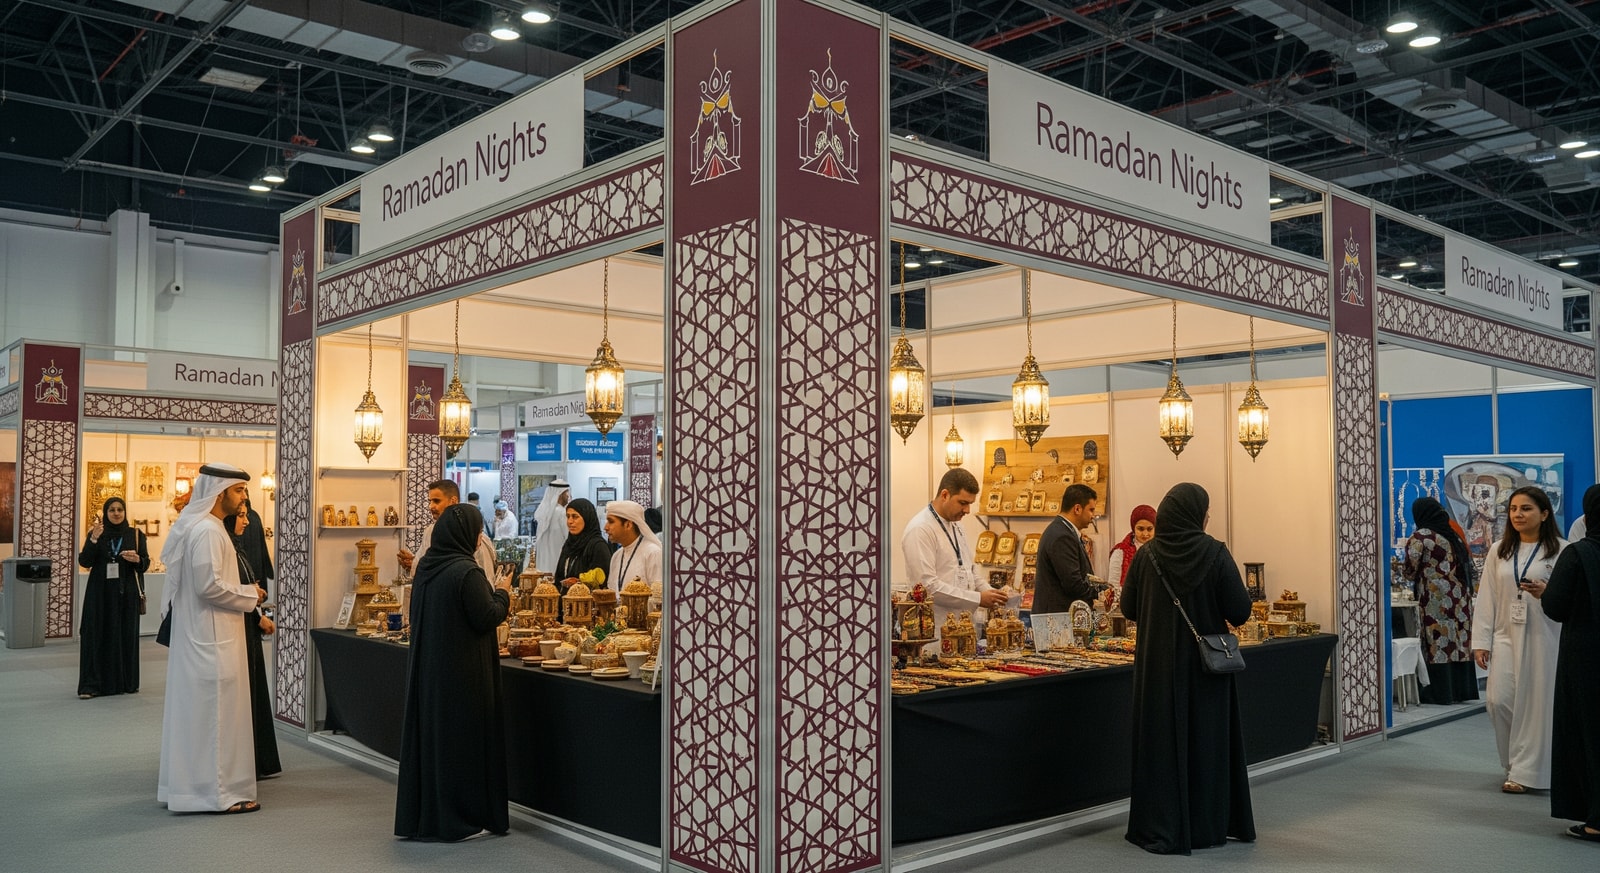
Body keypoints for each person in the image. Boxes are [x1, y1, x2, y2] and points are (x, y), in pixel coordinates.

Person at [1121, 482, 1254, 855]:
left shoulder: (1146, 556)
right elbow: (1240, 610)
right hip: (1204, 671)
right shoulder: (1215, 553)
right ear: (1197, 515)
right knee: (1206, 744)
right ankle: (1206, 825)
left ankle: (1159, 823)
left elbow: (1129, 608)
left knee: (1160, 744)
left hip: (1157, 671)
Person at [394, 504, 512, 841]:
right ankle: (459, 817)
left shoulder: (428, 567)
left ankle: (430, 816)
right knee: (461, 745)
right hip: (463, 674)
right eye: (477, 532)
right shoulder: (466, 572)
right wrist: (503, 592)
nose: (478, 539)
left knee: (435, 742)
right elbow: (487, 616)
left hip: (431, 672)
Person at [157, 463, 267, 814]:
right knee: (217, 717)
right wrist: (250, 594)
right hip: (211, 638)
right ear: (220, 493)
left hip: (208, 635)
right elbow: (209, 587)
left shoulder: (210, 527)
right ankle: (219, 795)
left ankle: (193, 791)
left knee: (204, 717)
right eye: (239, 491)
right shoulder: (207, 530)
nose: (244, 497)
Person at [1472, 485, 1565, 794]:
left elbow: (1569, 598)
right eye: (1513, 509)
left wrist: (1547, 592)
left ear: (1544, 514)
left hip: (1545, 636)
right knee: (1498, 701)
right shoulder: (1499, 550)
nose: (1518, 514)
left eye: (1526, 509)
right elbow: (1487, 597)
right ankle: (1512, 763)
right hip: (1505, 635)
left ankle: (1527, 771)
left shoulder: (1562, 550)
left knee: (1537, 705)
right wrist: (1481, 641)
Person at [1543, 484, 1600, 842]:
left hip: (1587, 657)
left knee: (1590, 733)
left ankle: (1596, 819)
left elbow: (1555, 605)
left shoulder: (1579, 554)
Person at [901, 468, 1009, 644]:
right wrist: (978, 599)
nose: (967, 510)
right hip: (935, 633)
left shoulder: (957, 525)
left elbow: (969, 571)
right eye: (963, 503)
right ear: (945, 495)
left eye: (970, 504)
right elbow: (927, 587)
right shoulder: (920, 529)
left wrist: (992, 593)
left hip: (965, 629)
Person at [1401, 497, 1479, 705]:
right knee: (1458, 643)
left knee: (1438, 643)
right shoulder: (1453, 536)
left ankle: (1440, 692)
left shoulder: (1421, 537)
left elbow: (1409, 571)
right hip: (1459, 599)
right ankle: (1460, 690)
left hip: (1435, 600)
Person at [228, 493, 281, 779]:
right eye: (241, 516)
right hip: (236, 631)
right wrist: (256, 612)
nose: (247, 522)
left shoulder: (236, 547)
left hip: (247, 627)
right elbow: (225, 591)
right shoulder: (225, 549)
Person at [76, 497, 150, 698]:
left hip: (126, 593)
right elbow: (85, 561)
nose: (116, 513)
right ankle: (92, 685)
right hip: (100, 593)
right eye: (112, 510)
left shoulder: (135, 534)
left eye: (120, 510)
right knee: (96, 633)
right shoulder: (96, 533)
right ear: (105, 513)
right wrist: (93, 540)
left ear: (124, 512)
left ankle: (125, 682)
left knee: (125, 634)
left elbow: (145, 564)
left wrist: (137, 559)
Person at [398, 480, 495, 581]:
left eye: (436, 501)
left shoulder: (471, 534)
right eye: (430, 501)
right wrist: (413, 563)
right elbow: (427, 567)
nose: (431, 506)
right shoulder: (430, 531)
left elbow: (487, 578)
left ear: (453, 501)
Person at [1032, 483, 1100, 615]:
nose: (1093, 516)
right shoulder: (1062, 536)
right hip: (1057, 618)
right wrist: (1101, 591)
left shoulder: (1064, 531)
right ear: (1077, 509)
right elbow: (1073, 584)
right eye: (1091, 510)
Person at [554, 498, 613, 620]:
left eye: (575, 517)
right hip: (564, 613)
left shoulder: (597, 546)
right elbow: (559, 577)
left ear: (587, 518)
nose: (570, 521)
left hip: (587, 615)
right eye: (568, 516)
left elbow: (601, 583)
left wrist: (579, 582)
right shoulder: (569, 545)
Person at [604, 500, 662, 601]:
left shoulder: (652, 553)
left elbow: (658, 598)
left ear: (628, 525)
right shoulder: (616, 556)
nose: (606, 527)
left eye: (611, 521)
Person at [1106, 504, 1156, 595]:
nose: (1145, 534)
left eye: (1149, 529)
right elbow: (1113, 587)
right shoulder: (1120, 552)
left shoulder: (1162, 550)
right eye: (1140, 529)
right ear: (1133, 528)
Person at [532, 478, 571, 573]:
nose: (568, 496)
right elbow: (569, 538)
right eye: (566, 493)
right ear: (560, 494)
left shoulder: (543, 513)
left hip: (543, 565)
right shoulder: (562, 513)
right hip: (557, 564)